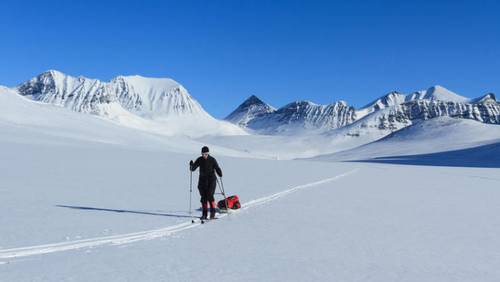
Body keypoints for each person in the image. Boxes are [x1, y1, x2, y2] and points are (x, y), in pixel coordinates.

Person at [190, 146, 223, 220]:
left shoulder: (212, 160)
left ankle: (212, 214)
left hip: (211, 180)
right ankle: (204, 214)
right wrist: (191, 165)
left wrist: (219, 172)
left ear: (208, 153)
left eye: (206, 154)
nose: (204, 155)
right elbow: (193, 169)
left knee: (210, 195)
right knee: (203, 197)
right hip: (202, 180)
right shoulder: (200, 159)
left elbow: (217, 167)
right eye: (203, 154)